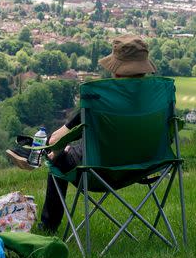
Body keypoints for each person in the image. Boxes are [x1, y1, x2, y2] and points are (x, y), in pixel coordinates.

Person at [8, 35, 157, 234]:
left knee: (59, 154)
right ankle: (42, 155)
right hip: (144, 166)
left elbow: (56, 138)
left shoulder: (99, 97)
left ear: (117, 70)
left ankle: (49, 224)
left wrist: (58, 147)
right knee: (69, 148)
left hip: (99, 171)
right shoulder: (157, 96)